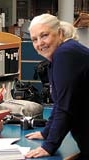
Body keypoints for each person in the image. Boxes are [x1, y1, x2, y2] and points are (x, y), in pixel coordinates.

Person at [25, 13, 89, 159]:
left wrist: (49, 146)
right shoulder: (62, 54)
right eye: (34, 39)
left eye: (44, 35)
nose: (39, 43)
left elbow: (65, 107)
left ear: (59, 33)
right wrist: (45, 133)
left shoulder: (65, 54)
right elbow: (61, 102)